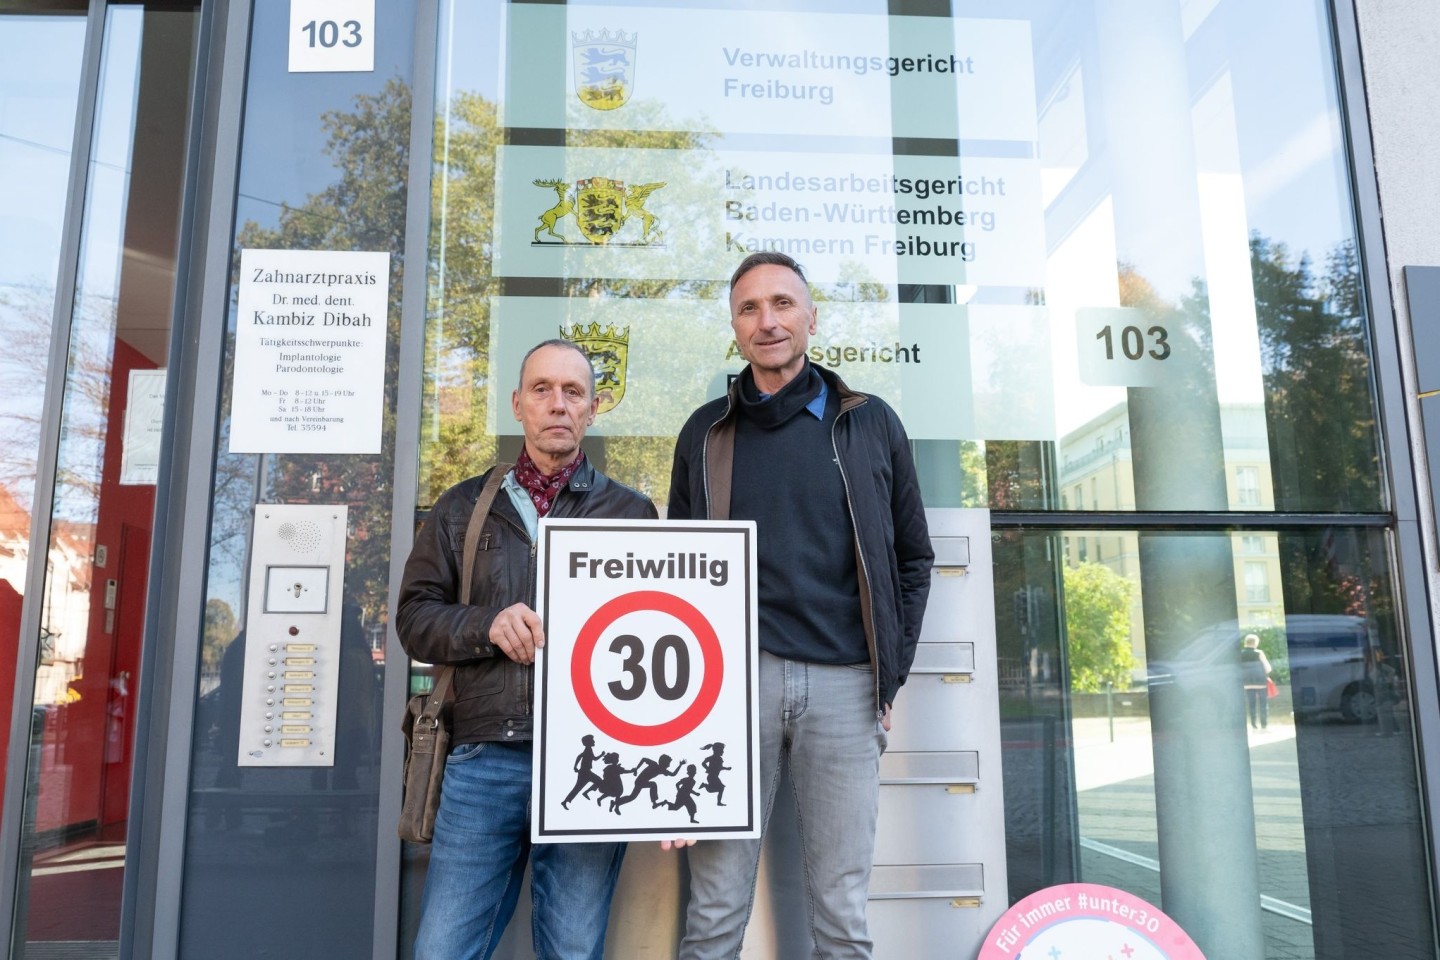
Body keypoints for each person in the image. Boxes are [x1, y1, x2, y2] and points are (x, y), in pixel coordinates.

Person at [667, 251, 934, 959]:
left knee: (841, 914)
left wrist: (890, 676)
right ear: (734, 327)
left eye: (783, 304)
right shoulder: (704, 433)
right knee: (715, 908)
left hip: (848, 686)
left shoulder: (871, 423)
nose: (768, 321)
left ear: (811, 318)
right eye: (750, 308)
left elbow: (913, 558)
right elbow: (678, 582)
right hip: (731, 689)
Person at [396, 339, 657, 960]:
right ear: (518, 404)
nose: (557, 404)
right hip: (484, 756)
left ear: (592, 410)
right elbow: (413, 618)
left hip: (594, 764)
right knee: (442, 950)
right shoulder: (461, 508)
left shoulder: (633, 514)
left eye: (573, 392)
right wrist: (486, 624)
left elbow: (657, 646)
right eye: (542, 389)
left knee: (572, 950)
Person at [1240, 633, 1273, 730]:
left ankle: (1254, 725)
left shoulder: (1240, 654)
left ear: (1246, 642)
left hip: (1247, 683)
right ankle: (1264, 725)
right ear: (1255, 643)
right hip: (1260, 682)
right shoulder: (1259, 652)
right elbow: (1268, 668)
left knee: (1251, 704)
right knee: (1263, 704)